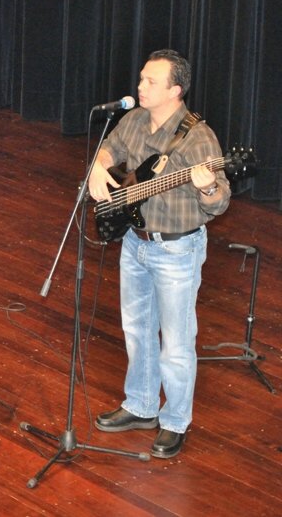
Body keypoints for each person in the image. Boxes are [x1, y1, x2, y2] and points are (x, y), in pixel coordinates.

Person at [87, 49, 230, 459]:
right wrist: (99, 166)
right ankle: (142, 405)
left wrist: (206, 186)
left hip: (177, 250)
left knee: (177, 343)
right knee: (137, 329)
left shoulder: (198, 137)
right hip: (135, 242)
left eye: (151, 82)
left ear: (175, 91)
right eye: (141, 79)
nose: (140, 86)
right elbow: (111, 148)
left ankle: (175, 421)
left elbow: (220, 201)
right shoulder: (134, 119)